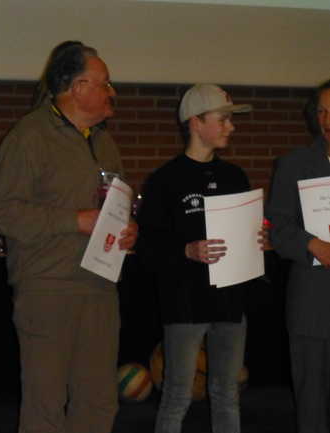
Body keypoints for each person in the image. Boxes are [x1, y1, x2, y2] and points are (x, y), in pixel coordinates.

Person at [0, 41, 138, 433]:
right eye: (104, 83)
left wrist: (127, 229)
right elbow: (2, 212)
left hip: (100, 285)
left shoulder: (104, 141)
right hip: (49, 288)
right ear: (77, 87)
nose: (111, 92)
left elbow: (115, 206)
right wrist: (74, 221)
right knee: (46, 406)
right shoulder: (29, 136)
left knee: (98, 401)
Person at [137, 84, 267, 433]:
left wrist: (258, 240)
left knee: (227, 393)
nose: (231, 127)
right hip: (185, 304)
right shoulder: (164, 181)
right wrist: (186, 250)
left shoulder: (235, 176)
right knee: (177, 395)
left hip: (230, 303)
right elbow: (147, 249)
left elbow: (247, 237)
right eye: (222, 119)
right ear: (195, 122)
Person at [266, 78, 330, 433]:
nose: (327, 120)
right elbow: (277, 228)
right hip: (313, 308)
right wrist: (313, 245)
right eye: (321, 111)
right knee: (312, 408)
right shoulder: (294, 164)